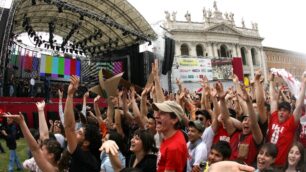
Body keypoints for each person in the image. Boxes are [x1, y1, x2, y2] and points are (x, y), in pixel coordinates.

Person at [64, 75, 102, 172]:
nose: (76, 131)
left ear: (86, 142)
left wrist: (70, 94)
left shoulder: (81, 156)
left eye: (80, 133)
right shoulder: (92, 159)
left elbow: (69, 127)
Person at [267, 73, 306, 166]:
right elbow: (273, 99)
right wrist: (271, 81)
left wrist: (304, 83)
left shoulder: (291, 123)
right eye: (280, 110)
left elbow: (299, 105)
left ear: (289, 113)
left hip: (280, 165)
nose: (281, 112)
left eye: (284, 111)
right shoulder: (274, 117)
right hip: (267, 163)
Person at [152, 100, 188, 172]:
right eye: (158, 112)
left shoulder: (174, 148)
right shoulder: (170, 135)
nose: (156, 116)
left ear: (174, 120)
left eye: (162, 113)